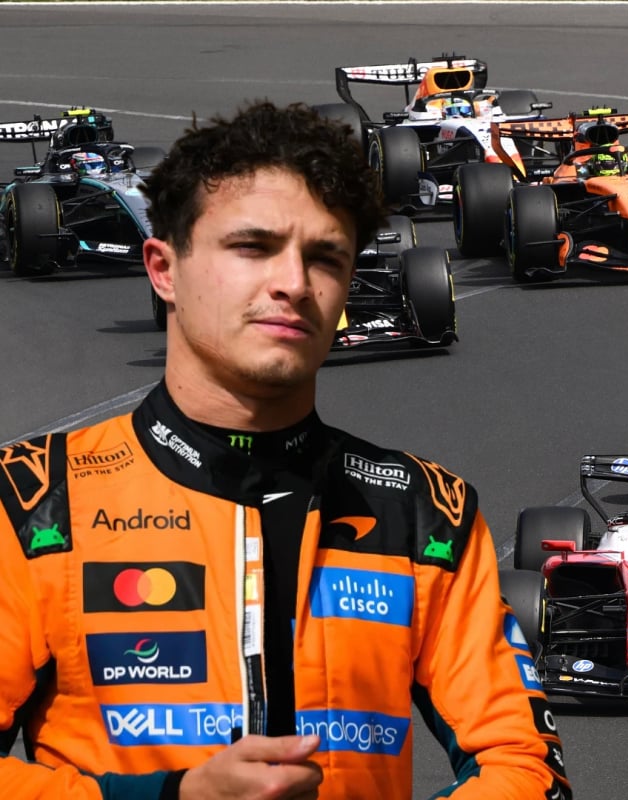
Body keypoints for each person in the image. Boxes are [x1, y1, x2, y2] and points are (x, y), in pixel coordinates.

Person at [0, 101, 571, 800]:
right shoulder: (29, 499)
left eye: (325, 257)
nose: (294, 284)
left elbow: (526, 766)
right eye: (252, 247)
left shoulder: (425, 511)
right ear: (163, 269)